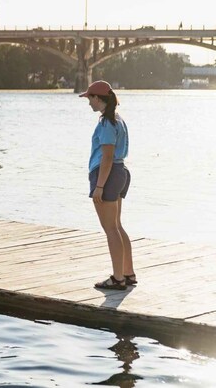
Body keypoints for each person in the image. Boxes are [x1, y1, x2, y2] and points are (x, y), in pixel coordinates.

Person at [80, 80, 135, 290]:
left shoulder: (106, 123)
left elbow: (107, 157)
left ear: (98, 98)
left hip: (109, 176)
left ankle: (117, 278)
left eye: (90, 98)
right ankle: (128, 273)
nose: (89, 103)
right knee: (117, 226)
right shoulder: (118, 120)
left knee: (110, 229)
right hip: (121, 173)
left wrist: (99, 186)